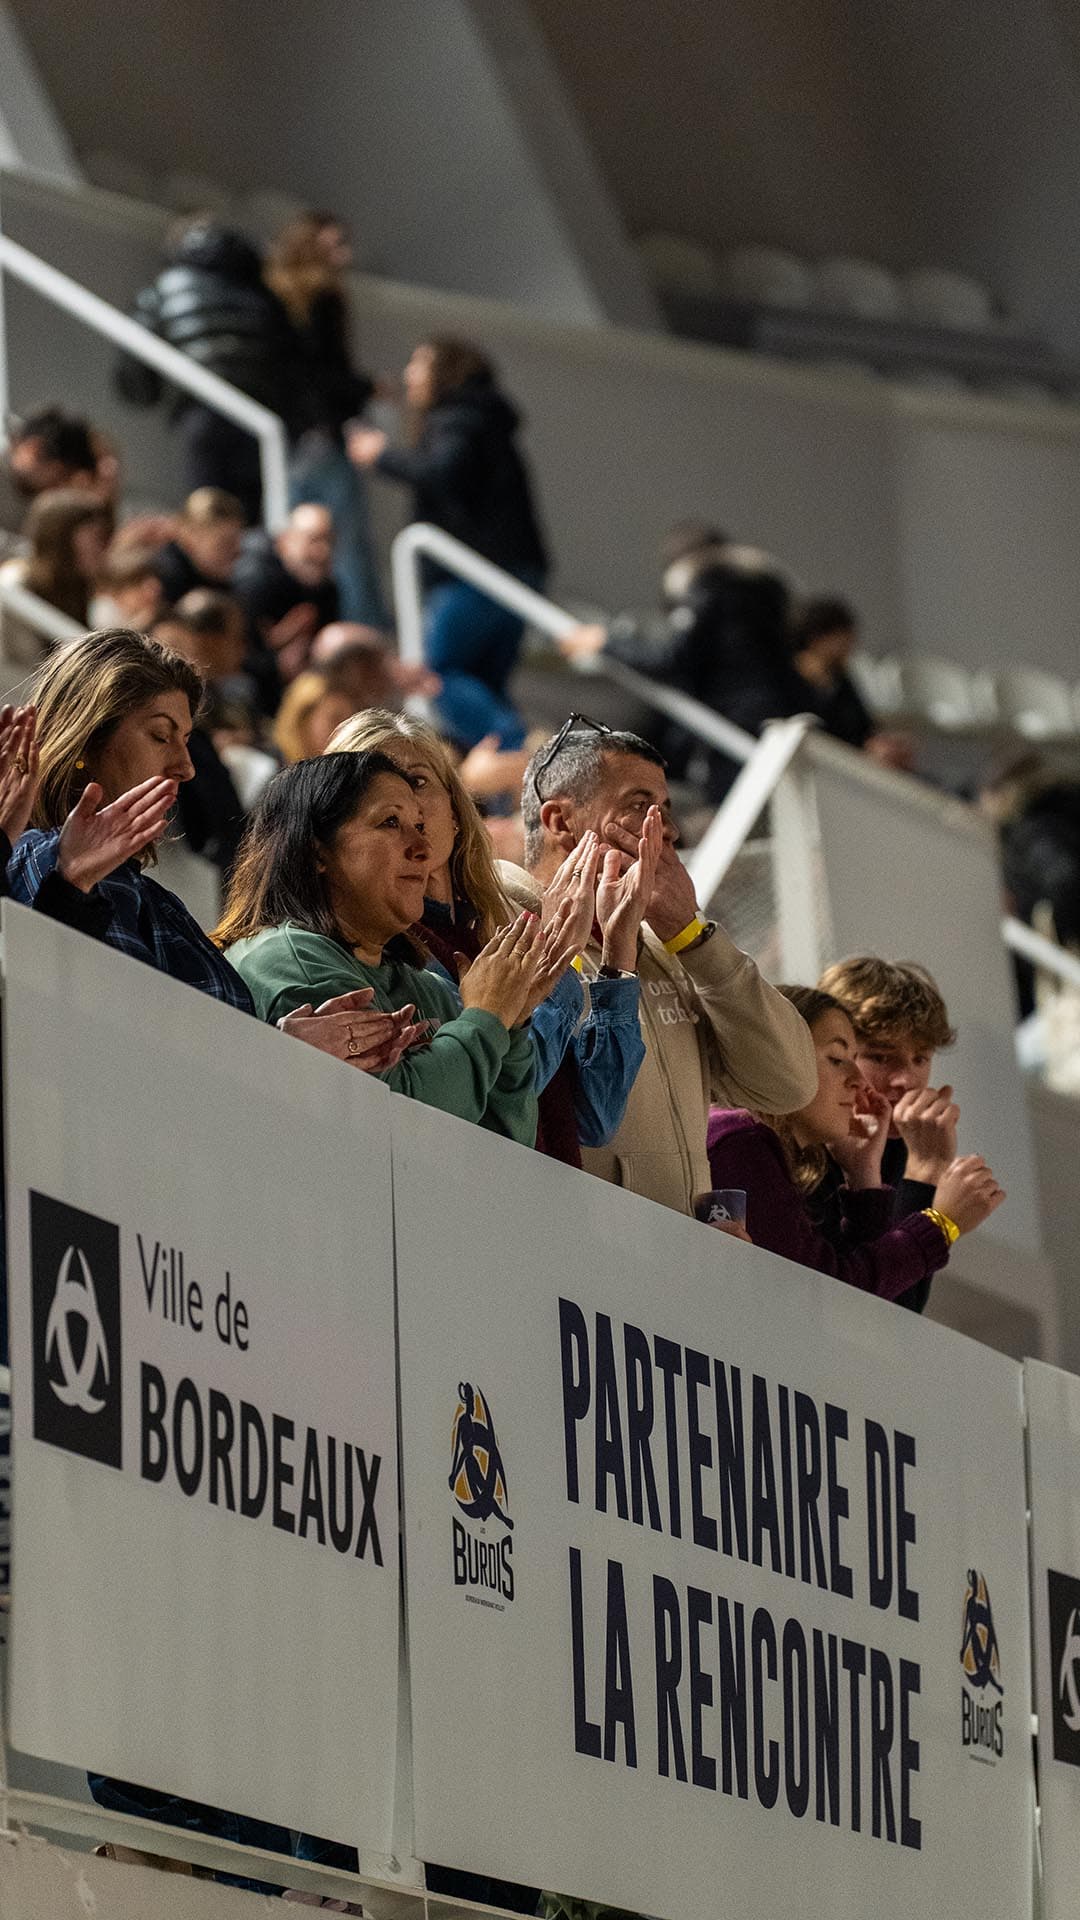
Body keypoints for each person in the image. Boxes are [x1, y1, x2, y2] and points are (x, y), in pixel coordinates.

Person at [507, 717, 817, 1212]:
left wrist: (693, 937)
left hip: (675, 1266)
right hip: (567, 1247)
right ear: (560, 822)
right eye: (639, 806)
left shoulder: (672, 955)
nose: (668, 830)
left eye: (667, 809)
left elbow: (789, 1085)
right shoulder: (501, 926)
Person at [329, 710, 655, 1166]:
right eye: (379, 792)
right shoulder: (383, 947)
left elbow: (596, 1119)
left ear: (456, 808)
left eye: (417, 782)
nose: (406, 806)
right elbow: (492, 1095)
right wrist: (551, 959)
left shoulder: (506, 916)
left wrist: (618, 957)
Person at [216, 750, 565, 1143]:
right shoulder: (286, 961)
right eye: (390, 822)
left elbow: (506, 1143)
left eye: (419, 824)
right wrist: (486, 1017)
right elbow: (401, 1126)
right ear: (317, 853)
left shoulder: (423, 985)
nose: (422, 848)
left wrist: (511, 1022)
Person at [707, 985, 1005, 1298]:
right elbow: (835, 1298)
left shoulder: (758, 1145)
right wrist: (942, 1223)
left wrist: (864, 1175)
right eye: (838, 1059)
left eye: (920, 1058)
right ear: (777, 1056)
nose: (858, 1080)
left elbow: (859, 1306)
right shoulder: (740, 1141)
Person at [348, 338, 548, 750]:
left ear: (447, 371)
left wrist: (381, 456)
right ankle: (511, 777)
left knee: (437, 674)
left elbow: (442, 471)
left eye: (419, 364)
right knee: (484, 684)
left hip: (476, 573)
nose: (409, 375)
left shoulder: (458, 418)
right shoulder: (487, 419)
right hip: (515, 569)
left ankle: (522, 755)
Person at [559, 545, 808, 801]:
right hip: (777, 713)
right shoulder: (764, 588)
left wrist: (605, 642)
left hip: (736, 720)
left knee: (740, 802)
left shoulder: (709, 587)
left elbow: (672, 659)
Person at [815, 955, 972, 1312]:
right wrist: (926, 1173)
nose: (906, 1080)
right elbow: (868, 1308)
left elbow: (902, 1310)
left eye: (920, 1059)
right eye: (882, 1058)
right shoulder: (803, 1142)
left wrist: (924, 1171)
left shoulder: (906, 1146)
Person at [115, 219, 298, 523]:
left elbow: (135, 375)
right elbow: (294, 359)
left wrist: (155, 394)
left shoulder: (164, 289)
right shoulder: (261, 293)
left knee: (211, 516)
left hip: (201, 415)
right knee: (256, 521)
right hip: (258, 416)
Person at [266, 211, 387, 625]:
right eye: (335, 246)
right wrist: (366, 389)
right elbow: (325, 372)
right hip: (322, 434)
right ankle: (360, 633)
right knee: (344, 542)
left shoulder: (276, 297)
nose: (345, 256)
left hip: (293, 436)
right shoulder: (324, 297)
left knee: (300, 539)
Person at [0, 492, 112, 665]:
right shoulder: (15, 587)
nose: (100, 548)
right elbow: (25, 667)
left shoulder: (76, 588)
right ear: (62, 537)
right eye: (94, 536)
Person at [233, 502, 341, 680]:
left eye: (329, 541)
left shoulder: (326, 587)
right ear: (285, 542)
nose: (323, 551)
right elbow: (237, 656)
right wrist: (276, 664)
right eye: (313, 540)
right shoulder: (254, 583)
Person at [273, 668, 360, 764]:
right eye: (336, 719)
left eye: (349, 720)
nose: (346, 730)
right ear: (303, 720)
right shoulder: (266, 769)